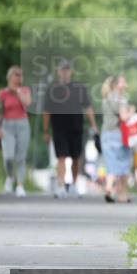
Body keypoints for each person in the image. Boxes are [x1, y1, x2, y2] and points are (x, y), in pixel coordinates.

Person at [42, 59, 98, 198]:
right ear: (58, 71)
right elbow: (46, 111)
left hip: (76, 127)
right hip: (59, 128)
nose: (65, 72)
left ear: (71, 71)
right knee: (61, 157)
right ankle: (61, 186)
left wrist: (94, 125)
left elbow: (88, 107)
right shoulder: (52, 89)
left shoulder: (79, 87)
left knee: (76, 157)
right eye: (62, 69)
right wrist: (46, 131)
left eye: (67, 69)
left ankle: (72, 185)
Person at [0, 66, 32, 196]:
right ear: (10, 77)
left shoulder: (25, 90)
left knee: (21, 157)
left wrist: (17, 92)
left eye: (20, 75)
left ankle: (20, 185)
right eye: (16, 75)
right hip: (7, 125)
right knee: (8, 157)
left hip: (22, 124)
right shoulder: (3, 93)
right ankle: (10, 176)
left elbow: (27, 104)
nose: (19, 77)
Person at [99, 75, 133, 203]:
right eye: (123, 82)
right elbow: (124, 117)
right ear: (116, 85)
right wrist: (132, 112)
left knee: (111, 164)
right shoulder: (121, 99)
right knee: (124, 163)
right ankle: (122, 194)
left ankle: (109, 187)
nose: (125, 84)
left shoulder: (106, 98)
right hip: (118, 134)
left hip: (106, 134)